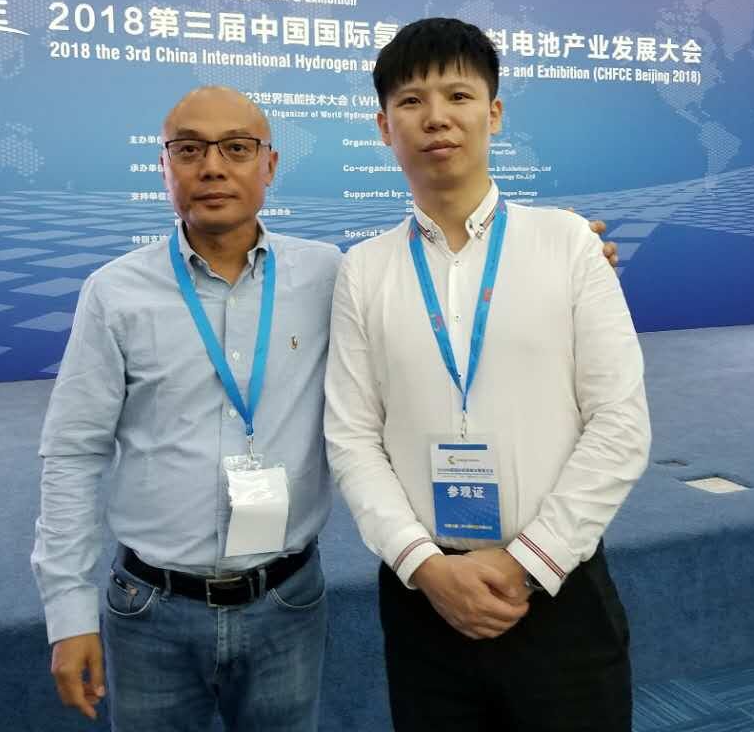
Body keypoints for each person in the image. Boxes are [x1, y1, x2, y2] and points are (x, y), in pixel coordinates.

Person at [31, 82, 620, 731]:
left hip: (285, 602)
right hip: (152, 608)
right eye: (190, 150)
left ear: (270, 164)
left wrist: (567, 251)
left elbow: (441, 274)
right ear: (163, 165)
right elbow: (72, 453)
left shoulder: (329, 274)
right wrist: (68, 612)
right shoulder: (114, 294)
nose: (213, 167)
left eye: (236, 148)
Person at [324, 18, 651, 732]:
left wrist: (526, 562)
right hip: (424, 598)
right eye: (411, 101)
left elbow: (620, 423)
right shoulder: (364, 270)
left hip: (557, 591)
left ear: (493, 113)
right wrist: (425, 566)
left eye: (458, 95)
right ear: (383, 127)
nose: (436, 117)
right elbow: (351, 437)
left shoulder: (567, 244)